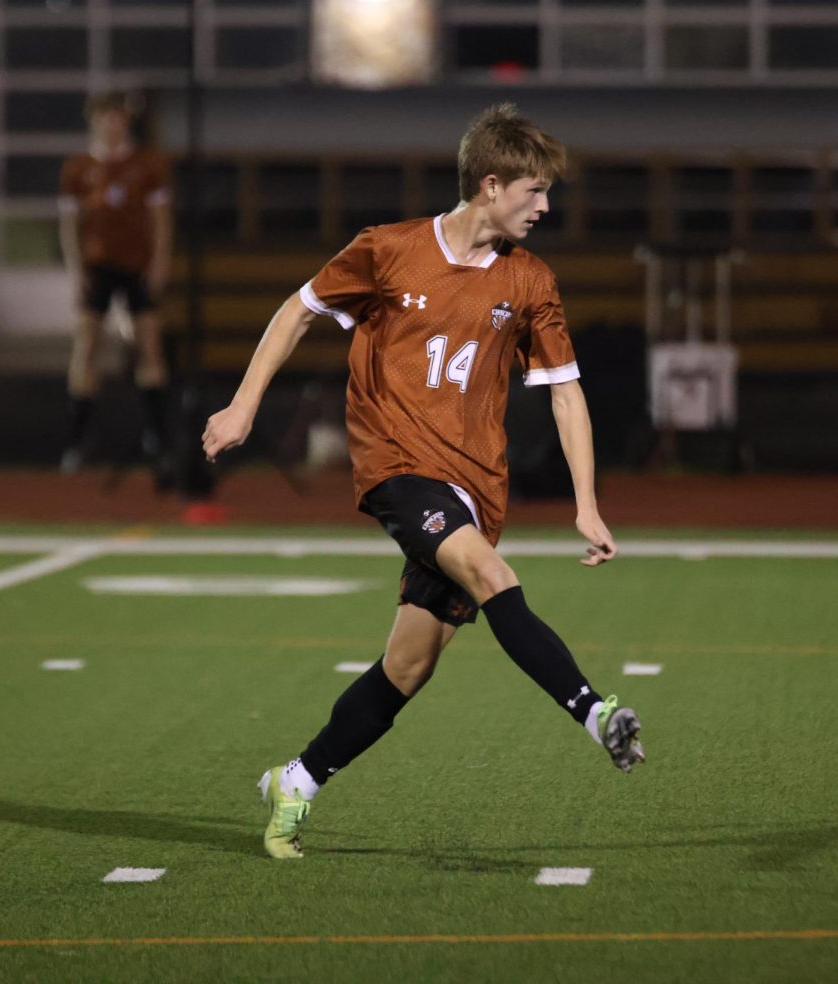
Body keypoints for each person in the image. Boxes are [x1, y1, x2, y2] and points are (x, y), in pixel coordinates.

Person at [202, 103, 646, 860]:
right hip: (397, 469)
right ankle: (595, 712)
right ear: (490, 184)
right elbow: (297, 311)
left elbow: (566, 391)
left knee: (409, 665)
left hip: (477, 485)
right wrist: (244, 404)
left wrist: (588, 505)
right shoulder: (388, 250)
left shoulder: (531, 281)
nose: (545, 208)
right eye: (534, 193)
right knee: (489, 571)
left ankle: (297, 781)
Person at [58, 91, 172, 477]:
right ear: (94, 120)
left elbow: (160, 220)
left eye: (119, 117)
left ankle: (158, 437)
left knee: (148, 346)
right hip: (97, 266)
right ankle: (78, 438)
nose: (112, 123)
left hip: (137, 266)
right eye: (106, 116)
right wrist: (76, 273)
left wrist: (159, 265)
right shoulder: (77, 168)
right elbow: (69, 225)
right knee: (86, 343)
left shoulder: (147, 164)